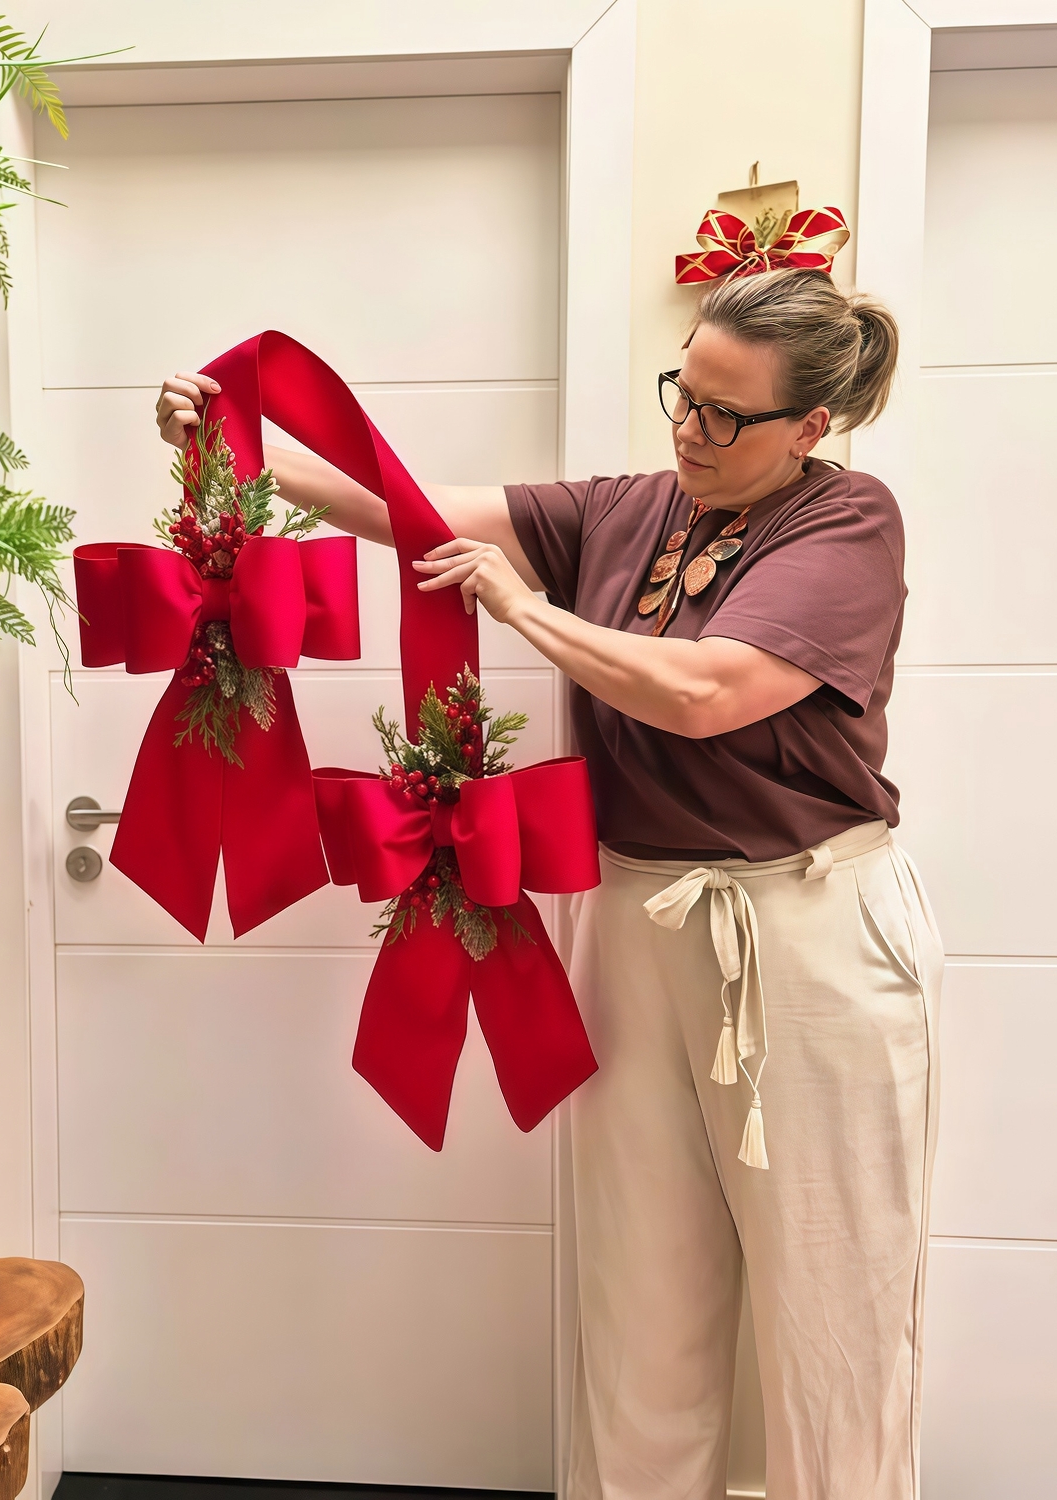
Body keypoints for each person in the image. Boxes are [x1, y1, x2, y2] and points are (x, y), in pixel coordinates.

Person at [155, 268, 942, 1500]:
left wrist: (524, 608)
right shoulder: (629, 508)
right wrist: (235, 452)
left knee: (828, 1313)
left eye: (728, 416)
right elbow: (408, 509)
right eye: (685, 390)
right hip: (633, 913)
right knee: (642, 1293)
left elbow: (707, 693)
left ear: (810, 429)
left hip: (804, 931)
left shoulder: (849, 525)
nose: (690, 428)